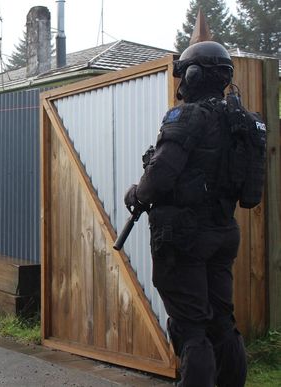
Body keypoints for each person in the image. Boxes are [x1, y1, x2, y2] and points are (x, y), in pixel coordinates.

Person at [123, 41, 265, 387]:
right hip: (223, 232)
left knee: (191, 327)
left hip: (183, 236)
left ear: (194, 75)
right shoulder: (246, 122)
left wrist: (136, 194)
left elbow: (161, 175)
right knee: (221, 320)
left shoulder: (187, 116)